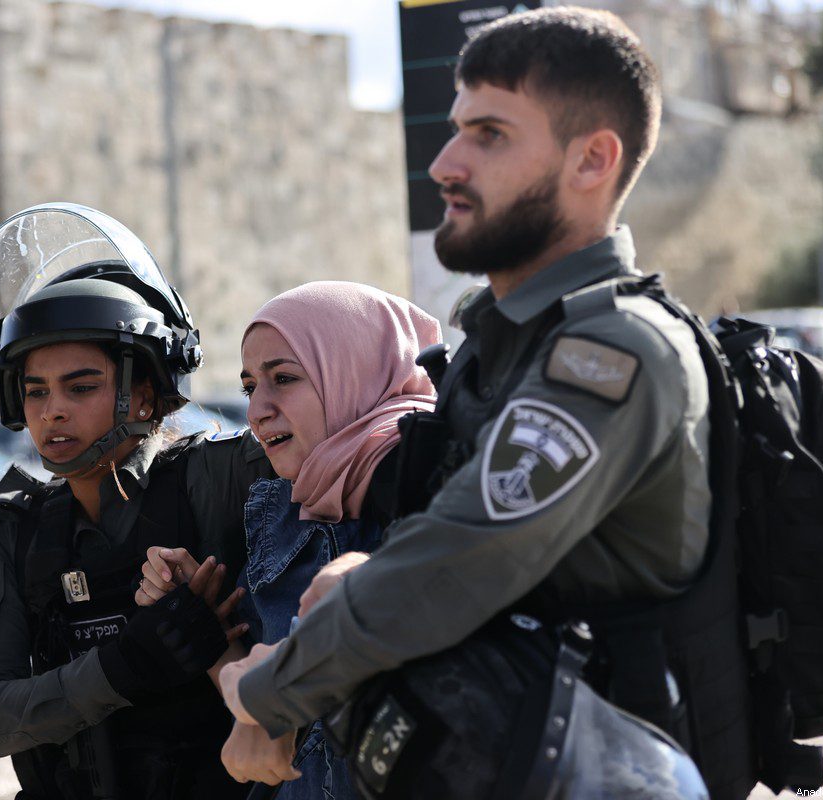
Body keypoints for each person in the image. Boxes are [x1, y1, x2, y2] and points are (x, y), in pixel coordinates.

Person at [219, 8, 750, 799]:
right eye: (456, 128)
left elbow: (459, 562)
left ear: (592, 161)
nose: (444, 162)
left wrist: (265, 693)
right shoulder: (508, 349)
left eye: (490, 134)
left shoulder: (611, 355)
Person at [0, 203, 273, 800]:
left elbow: (336, 438)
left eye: (81, 386)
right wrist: (122, 668)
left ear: (144, 395)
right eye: (36, 391)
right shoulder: (15, 528)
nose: (53, 410)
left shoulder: (216, 477)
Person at [136, 282, 440, 797]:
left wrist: (270, 709)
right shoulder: (281, 508)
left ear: (353, 369)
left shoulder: (433, 479)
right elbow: (273, 741)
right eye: (250, 386)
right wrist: (201, 626)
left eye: (284, 378)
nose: (257, 411)